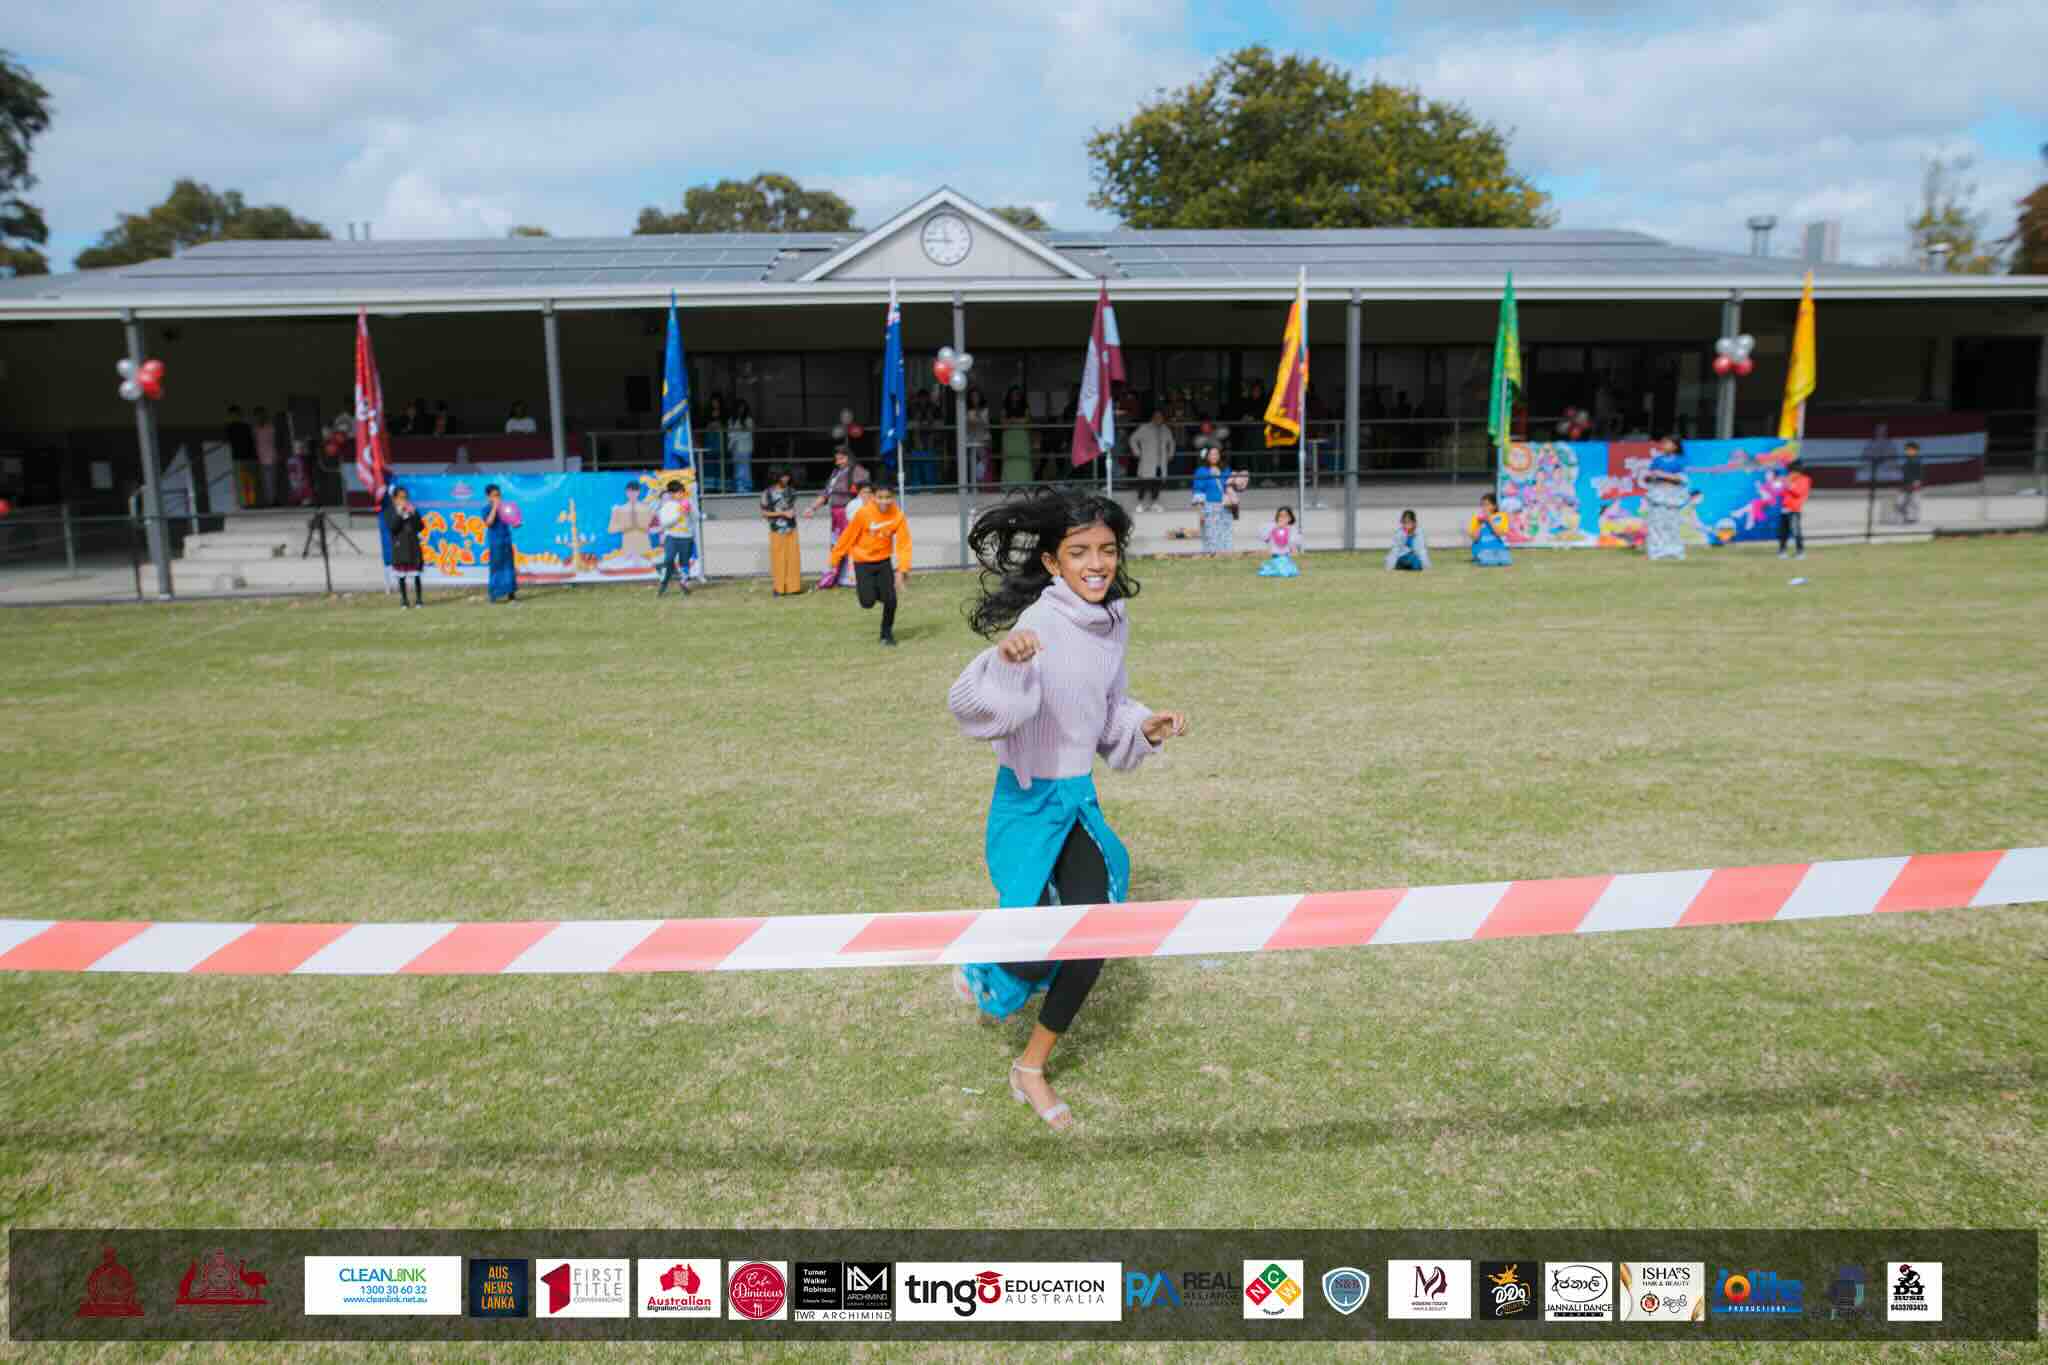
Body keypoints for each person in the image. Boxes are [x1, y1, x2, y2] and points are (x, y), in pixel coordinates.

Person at [946, 488, 1189, 1131]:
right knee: (1026, 959)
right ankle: (983, 962)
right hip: (1027, 805)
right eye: (1079, 551)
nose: (1097, 563)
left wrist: (1147, 726)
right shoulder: (1038, 627)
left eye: (1107, 550)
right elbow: (972, 705)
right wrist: (1004, 661)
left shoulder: (1112, 623)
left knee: (1095, 935)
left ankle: (1030, 1069)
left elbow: (1109, 711)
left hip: (1078, 800)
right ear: (1053, 563)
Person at [823, 479, 911, 645]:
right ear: (873, 497)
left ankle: (886, 635)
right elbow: (848, 537)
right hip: (862, 561)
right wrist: (835, 558)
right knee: (867, 602)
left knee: (891, 600)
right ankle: (877, 591)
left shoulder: (897, 515)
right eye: (880, 497)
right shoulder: (863, 514)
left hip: (883, 560)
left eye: (888, 497)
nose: (884, 501)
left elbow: (904, 544)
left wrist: (902, 568)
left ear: (893, 497)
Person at [804, 446, 869, 587]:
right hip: (835, 515)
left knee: (850, 544)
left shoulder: (859, 472)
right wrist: (812, 508)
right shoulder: (836, 472)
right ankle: (835, 577)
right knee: (836, 545)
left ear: (849, 457)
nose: (838, 462)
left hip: (849, 514)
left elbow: (865, 493)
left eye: (841, 458)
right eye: (837, 459)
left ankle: (853, 577)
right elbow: (826, 493)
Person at [1642, 434, 1690, 561]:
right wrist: (1650, 477)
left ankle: (1675, 551)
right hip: (1658, 494)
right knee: (1656, 524)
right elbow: (1649, 476)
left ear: (1675, 446)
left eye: (1667, 443)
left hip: (1673, 495)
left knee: (1672, 524)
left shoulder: (1680, 460)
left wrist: (1663, 474)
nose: (1664, 445)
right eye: (1662, 443)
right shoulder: (1657, 460)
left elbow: (1681, 479)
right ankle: (1656, 552)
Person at [1190, 448, 1245, 554]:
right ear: (1207, 456)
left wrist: (1239, 482)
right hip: (1209, 508)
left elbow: (1231, 487)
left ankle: (1226, 555)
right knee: (1210, 535)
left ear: (1220, 455)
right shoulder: (1201, 471)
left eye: (1216, 454)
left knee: (1226, 534)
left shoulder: (1226, 470)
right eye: (1211, 454)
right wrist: (1200, 512)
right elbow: (1198, 491)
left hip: (1225, 507)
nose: (1214, 456)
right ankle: (1211, 556)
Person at [760, 468, 802, 596]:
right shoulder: (767, 493)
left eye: (787, 476)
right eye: (783, 476)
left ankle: (793, 587)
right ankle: (779, 588)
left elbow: (792, 507)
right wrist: (782, 513)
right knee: (778, 558)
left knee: (793, 558)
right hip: (776, 530)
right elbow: (764, 513)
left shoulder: (792, 492)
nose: (786, 479)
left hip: (791, 528)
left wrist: (792, 513)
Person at [652, 479, 694, 597]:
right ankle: (663, 583)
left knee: (684, 562)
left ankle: (684, 583)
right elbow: (665, 523)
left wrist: (690, 512)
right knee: (669, 559)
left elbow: (694, 518)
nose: (680, 495)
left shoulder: (688, 503)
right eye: (678, 493)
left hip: (687, 537)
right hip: (672, 537)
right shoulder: (667, 506)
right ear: (671, 494)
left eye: (682, 492)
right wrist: (679, 514)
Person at [388, 486, 425, 608]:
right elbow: (393, 528)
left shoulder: (412, 510)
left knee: (416, 574)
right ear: (394, 499)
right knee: (401, 575)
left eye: (405, 497)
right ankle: (404, 600)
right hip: (400, 548)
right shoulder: (391, 511)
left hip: (413, 546)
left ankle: (419, 600)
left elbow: (420, 526)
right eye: (401, 498)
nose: (404, 500)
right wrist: (399, 513)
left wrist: (413, 514)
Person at [1130, 408, 1172, 512]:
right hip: (1147, 461)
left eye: (1160, 417)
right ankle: (1140, 504)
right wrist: (1137, 452)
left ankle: (1154, 504)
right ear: (1153, 417)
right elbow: (1133, 439)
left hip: (1160, 463)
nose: (1159, 418)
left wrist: (1170, 454)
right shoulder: (1144, 428)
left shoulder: (1165, 429)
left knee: (1157, 483)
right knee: (1144, 483)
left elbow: (1171, 442)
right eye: (1156, 416)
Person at [483, 483, 519, 602]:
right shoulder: (486, 509)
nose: (497, 498)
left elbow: (512, 520)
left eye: (499, 495)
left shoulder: (505, 508)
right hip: (495, 542)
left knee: (509, 568)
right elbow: (489, 522)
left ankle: (511, 595)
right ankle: (494, 595)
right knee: (496, 568)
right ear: (488, 497)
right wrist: (494, 507)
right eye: (494, 495)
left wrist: (516, 523)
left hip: (506, 541)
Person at [1000, 386, 1034, 486]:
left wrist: (1011, 420)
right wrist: (1017, 421)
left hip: (1022, 436)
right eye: (1013, 394)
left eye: (1017, 394)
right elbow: (1003, 423)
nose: (1015, 396)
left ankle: (1024, 484)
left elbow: (1026, 421)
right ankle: (1009, 485)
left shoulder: (1026, 408)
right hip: (1009, 437)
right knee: (1009, 460)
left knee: (1023, 460)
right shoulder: (1005, 408)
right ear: (1009, 396)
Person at [1779, 458, 1812, 559]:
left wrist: (1789, 486)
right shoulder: (1787, 478)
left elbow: (1799, 493)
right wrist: (1781, 485)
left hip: (1794, 509)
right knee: (1783, 532)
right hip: (1785, 508)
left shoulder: (1805, 479)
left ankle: (1800, 551)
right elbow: (1781, 493)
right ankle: (1782, 551)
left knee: (1796, 530)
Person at [1468, 492, 1512, 566]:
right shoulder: (1476, 518)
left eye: (1487, 505)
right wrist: (1480, 524)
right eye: (1482, 505)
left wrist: (1490, 520)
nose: (1484, 508)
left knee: (1505, 561)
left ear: (1494, 506)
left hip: (1497, 549)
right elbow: (1475, 539)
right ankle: (1481, 558)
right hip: (1481, 550)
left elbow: (1499, 534)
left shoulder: (1502, 516)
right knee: (1487, 559)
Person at [1258, 506, 1303, 577]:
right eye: (1280, 516)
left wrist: (1293, 549)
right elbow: (1264, 537)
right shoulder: (1272, 528)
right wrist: (1275, 528)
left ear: (1290, 518)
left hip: (1286, 557)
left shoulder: (1292, 529)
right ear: (1277, 517)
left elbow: (1294, 542)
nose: (1282, 518)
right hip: (1275, 557)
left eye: (1285, 516)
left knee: (1287, 569)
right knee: (1274, 568)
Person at [250, 405, 280, 507]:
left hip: (271, 457)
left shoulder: (271, 427)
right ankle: (270, 501)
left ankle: (272, 502)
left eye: (260, 415)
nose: (258, 418)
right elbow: (255, 443)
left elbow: (275, 442)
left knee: (271, 480)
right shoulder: (255, 429)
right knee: (265, 481)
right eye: (256, 416)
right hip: (262, 459)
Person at [965, 387, 993, 490]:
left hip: (984, 440)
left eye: (977, 396)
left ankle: (985, 487)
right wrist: (975, 421)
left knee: (985, 464)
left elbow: (985, 424)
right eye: (972, 397)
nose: (975, 399)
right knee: (973, 464)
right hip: (972, 441)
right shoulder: (966, 410)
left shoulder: (985, 410)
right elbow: (968, 425)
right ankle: (974, 486)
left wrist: (977, 419)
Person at [728, 399, 756, 495]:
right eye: (739, 407)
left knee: (745, 468)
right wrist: (736, 435)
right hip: (735, 447)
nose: (741, 409)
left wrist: (737, 435)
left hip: (745, 447)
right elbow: (730, 434)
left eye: (743, 407)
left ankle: (746, 488)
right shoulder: (731, 420)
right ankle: (738, 487)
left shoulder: (749, 420)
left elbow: (748, 433)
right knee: (737, 468)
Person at [1897, 440, 1924, 525]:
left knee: (1915, 502)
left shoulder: (1917, 461)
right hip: (1905, 485)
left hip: (1915, 485)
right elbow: (1904, 475)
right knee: (1900, 502)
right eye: (1907, 450)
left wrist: (1917, 483)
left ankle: (1914, 519)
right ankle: (1906, 518)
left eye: (1911, 450)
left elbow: (1920, 474)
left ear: (1916, 451)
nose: (1908, 451)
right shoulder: (1906, 461)